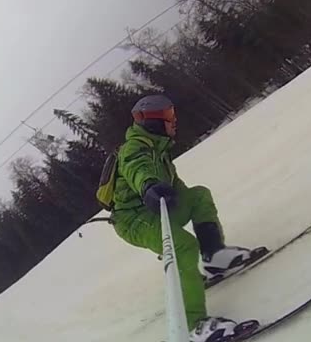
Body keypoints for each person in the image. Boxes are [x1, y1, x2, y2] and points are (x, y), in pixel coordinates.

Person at [110, 94, 265, 341]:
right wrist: (148, 185)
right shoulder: (136, 147)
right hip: (134, 219)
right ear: (153, 122)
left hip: (157, 207)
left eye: (173, 115)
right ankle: (194, 324)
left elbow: (176, 186)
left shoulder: (160, 148)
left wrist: (175, 195)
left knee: (199, 196)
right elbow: (135, 167)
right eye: (169, 117)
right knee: (183, 246)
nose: (174, 121)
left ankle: (214, 255)